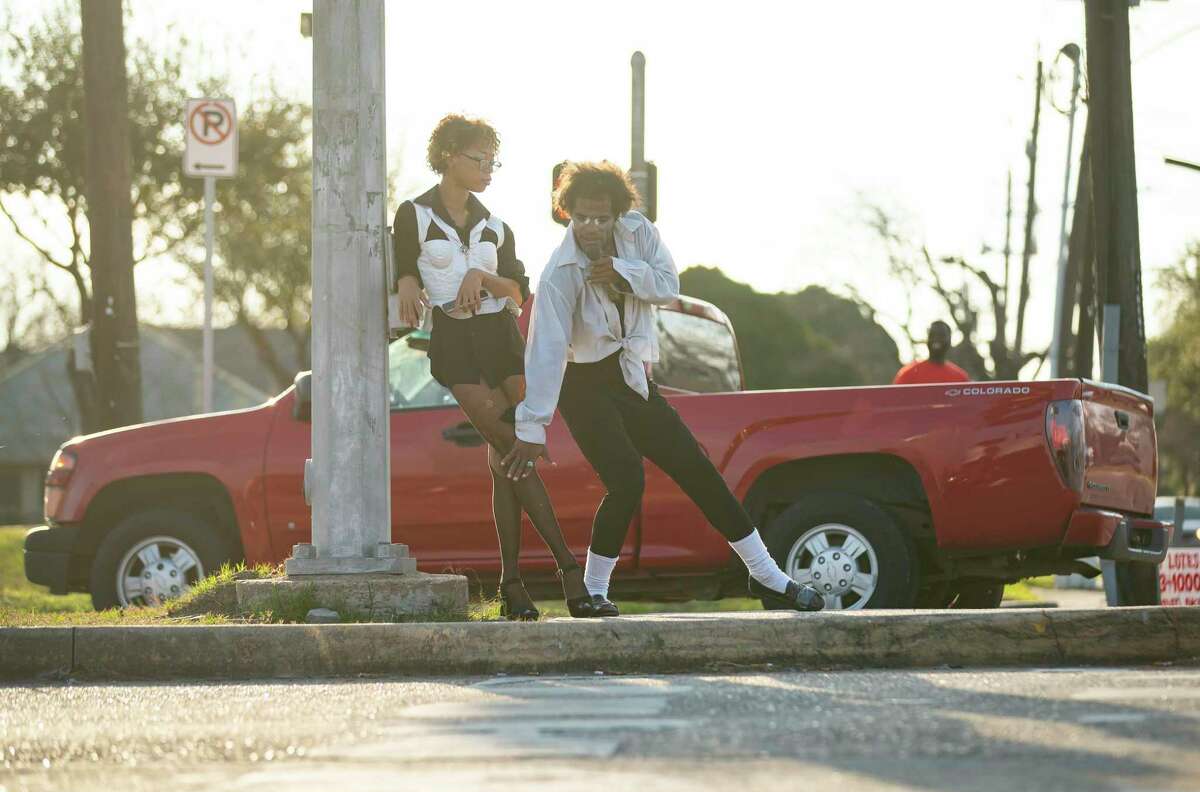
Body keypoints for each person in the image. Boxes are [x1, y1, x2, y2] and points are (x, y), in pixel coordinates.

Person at [501, 161, 823, 615]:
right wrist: (531, 428)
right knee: (626, 479)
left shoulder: (639, 234)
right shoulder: (560, 272)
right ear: (566, 213)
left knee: (697, 469)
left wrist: (621, 272)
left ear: (617, 214)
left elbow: (668, 285)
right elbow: (546, 350)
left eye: (602, 217)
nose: (592, 226)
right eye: (582, 217)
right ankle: (593, 591)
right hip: (583, 383)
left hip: (629, 373)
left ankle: (766, 574)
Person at [391, 115, 600, 620]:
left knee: (505, 462)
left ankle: (512, 585)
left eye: (492, 161)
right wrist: (408, 285)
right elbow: (402, 270)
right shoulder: (414, 216)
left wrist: (484, 277)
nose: (487, 169)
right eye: (477, 159)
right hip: (455, 345)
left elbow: (518, 291)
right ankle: (569, 570)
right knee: (512, 446)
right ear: (447, 157)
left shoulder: (496, 226)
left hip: (502, 341)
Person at [892, 321, 970, 385]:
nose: (936, 339)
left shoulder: (961, 378)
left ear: (950, 340)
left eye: (941, 335)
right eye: (932, 335)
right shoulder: (908, 374)